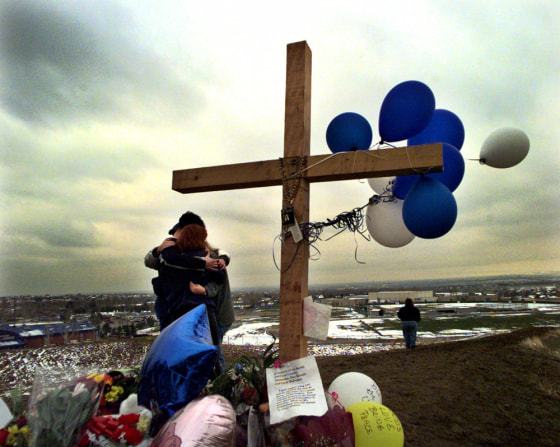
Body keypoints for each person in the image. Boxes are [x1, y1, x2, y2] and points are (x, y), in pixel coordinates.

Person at [145, 211, 235, 370]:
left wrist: (205, 290)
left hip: (213, 315)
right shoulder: (172, 255)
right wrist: (157, 251)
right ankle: (214, 385)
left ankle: (216, 385)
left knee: (209, 355)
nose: (175, 237)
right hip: (185, 314)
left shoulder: (210, 256)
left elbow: (216, 284)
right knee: (205, 356)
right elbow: (151, 260)